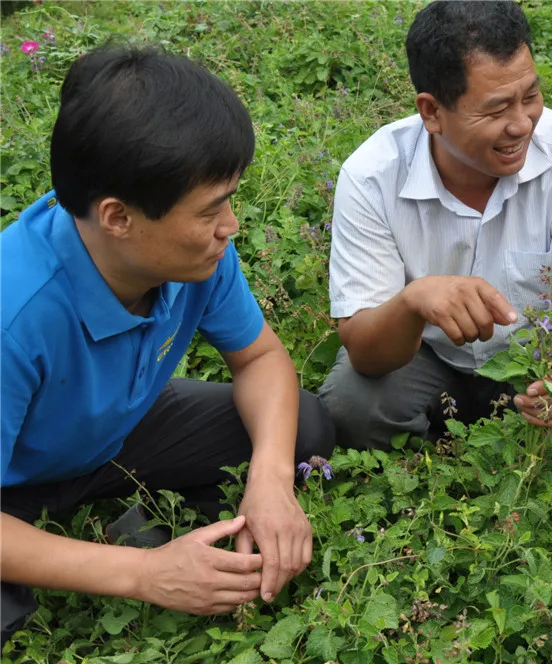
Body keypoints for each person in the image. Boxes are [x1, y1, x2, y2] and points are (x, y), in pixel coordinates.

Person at [0, 45, 335, 644]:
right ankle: (118, 550)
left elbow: (260, 358)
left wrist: (271, 479)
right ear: (118, 218)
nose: (230, 226)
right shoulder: (15, 313)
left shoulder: (200, 257)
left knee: (300, 428)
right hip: (11, 484)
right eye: (210, 210)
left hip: (111, 436)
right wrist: (144, 573)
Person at [319, 0, 552, 449]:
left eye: (530, 97)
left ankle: (494, 439)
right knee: (354, 403)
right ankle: (432, 468)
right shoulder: (372, 177)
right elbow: (366, 353)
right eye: (496, 110)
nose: (522, 124)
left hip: (537, 356)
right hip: (426, 359)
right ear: (431, 112)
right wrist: (414, 302)